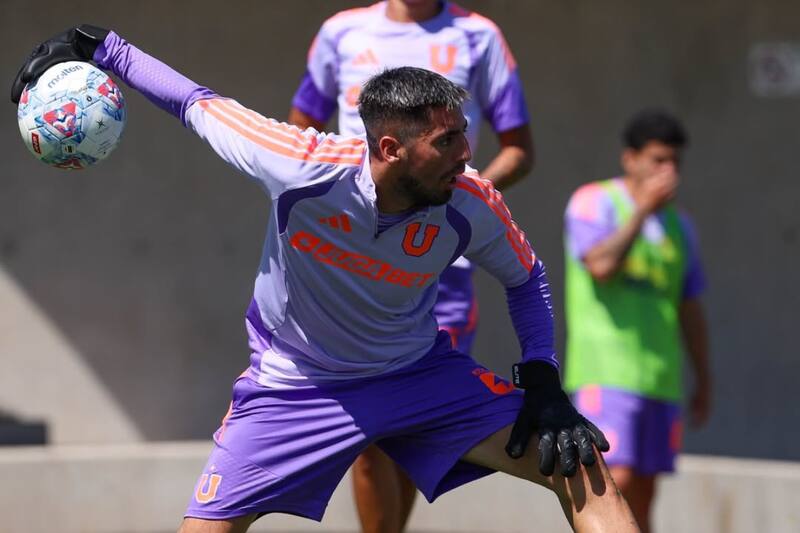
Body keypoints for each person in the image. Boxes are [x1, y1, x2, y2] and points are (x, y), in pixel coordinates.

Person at [12, 26, 638, 533]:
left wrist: (543, 376)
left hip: (419, 375)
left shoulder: (471, 202)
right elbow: (195, 103)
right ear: (391, 148)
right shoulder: (299, 166)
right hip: (295, 385)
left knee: (581, 464)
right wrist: (104, 48)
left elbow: (527, 280)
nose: (467, 153)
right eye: (448, 142)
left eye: (464, 136)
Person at [287, 2, 534, 530]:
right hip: (356, 265)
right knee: (368, 435)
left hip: (442, 270)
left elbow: (519, 149)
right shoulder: (341, 32)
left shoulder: (478, 35)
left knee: (410, 428)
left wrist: (460, 203)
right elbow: (298, 132)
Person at [563, 109, 711, 532]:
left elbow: (690, 306)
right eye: (658, 160)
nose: (669, 172)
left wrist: (703, 376)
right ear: (630, 158)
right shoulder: (593, 201)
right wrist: (642, 210)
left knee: (644, 494)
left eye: (675, 163)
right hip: (605, 374)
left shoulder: (681, 227)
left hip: (660, 380)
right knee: (612, 484)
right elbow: (601, 265)